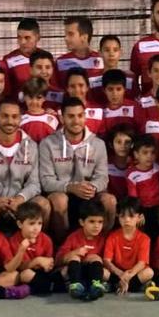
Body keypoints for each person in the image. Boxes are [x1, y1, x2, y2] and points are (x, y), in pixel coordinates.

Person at [36, 97, 113, 242]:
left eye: (80, 115)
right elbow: (46, 181)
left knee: (109, 200)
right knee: (59, 200)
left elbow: (103, 178)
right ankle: (62, 245)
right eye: (71, 116)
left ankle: (103, 245)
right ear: (62, 117)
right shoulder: (48, 143)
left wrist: (92, 187)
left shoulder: (98, 144)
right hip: (62, 193)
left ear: (85, 116)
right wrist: (70, 187)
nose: (76, 121)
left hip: (88, 193)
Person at [55, 198, 108, 301]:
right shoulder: (73, 237)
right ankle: (75, 285)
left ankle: (96, 285)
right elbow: (58, 260)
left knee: (101, 266)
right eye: (92, 221)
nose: (96, 226)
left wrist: (92, 259)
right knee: (70, 263)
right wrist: (74, 253)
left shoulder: (103, 239)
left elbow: (107, 261)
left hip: (93, 273)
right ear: (82, 222)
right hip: (75, 271)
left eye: (100, 222)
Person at [102, 197, 154, 296]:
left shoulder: (144, 238)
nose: (127, 220)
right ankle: (133, 286)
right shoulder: (112, 236)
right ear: (118, 217)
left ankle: (116, 286)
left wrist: (128, 275)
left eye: (131, 216)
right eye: (122, 216)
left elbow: (142, 263)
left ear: (139, 217)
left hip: (133, 273)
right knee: (102, 272)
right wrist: (120, 273)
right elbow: (107, 260)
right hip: (117, 273)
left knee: (149, 272)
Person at [8, 202, 56, 296]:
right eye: (31, 223)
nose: (36, 228)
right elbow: (21, 267)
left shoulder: (46, 240)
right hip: (25, 273)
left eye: (39, 223)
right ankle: (50, 287)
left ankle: (45, 287)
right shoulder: (14, 241)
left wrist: (47, 264)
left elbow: (49, 263)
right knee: (25, 274)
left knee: (64, 272)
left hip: (43, 272)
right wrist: (37, 261)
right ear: (20, 224)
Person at [3, 18, 52, 96]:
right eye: (19, 37)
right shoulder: (9, 60)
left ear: (38, 37)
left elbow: (54, 86)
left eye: (27, 38)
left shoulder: (47, 58)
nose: (22, 42)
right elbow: (5, 92)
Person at [56, 16, 104, 89]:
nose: (65, 38)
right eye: (65, 34)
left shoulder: (101, 60)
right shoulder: (60, 62)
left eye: (70, 34)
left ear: (84, 37)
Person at [99, 69, 142, 136]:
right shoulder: (101, 111)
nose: (115, 94)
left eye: (118, 89)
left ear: (125, 89)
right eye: (110, 89)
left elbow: (141, 131)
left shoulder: (134, 107)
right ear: (104, 90)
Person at [63, 67, 105, 134]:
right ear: (67, 89)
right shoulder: (59, 112)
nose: (77, 90)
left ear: (87, 87)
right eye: (72, 86)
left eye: (81, 85)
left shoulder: (99, 110)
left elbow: (102, 137)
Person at [97, 35, 137, 101]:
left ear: (120, 53)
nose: (111, 54)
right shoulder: (92, 79)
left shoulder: (130, 78)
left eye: (115, 50)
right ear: (100, 53)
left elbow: (135, 100)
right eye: (107, 50)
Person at [19, 78, 59, 142]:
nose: (34, 102)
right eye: (31, 97)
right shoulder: (19, 119)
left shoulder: (53, 118)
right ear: (24, 97)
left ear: (44, 98)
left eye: (38, 98)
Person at [105, 125, 134, 201]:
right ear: (111, 144)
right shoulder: (105, 164)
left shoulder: (137, 164)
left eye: (127, 142)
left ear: (132, 144)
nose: (123, 146)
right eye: (118, 142)